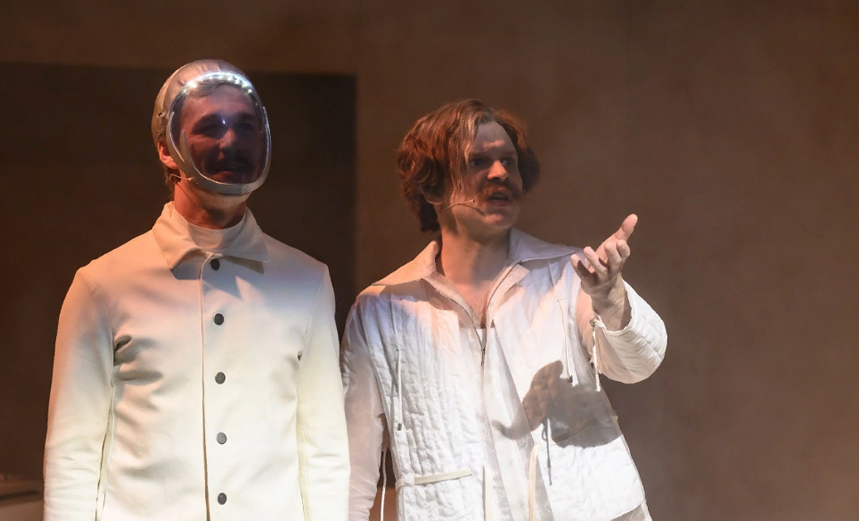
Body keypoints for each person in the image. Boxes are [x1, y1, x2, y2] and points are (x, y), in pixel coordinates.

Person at [44, 59, 349, 521]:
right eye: (210, 127)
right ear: (167, 149)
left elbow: (324, 450)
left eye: (245, 126)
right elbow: (73, 455)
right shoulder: (102, 285)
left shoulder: (307, 282)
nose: (231, 142)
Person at [342, 99, 667, 521]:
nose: (500, 173)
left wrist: (611, 298)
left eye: (509, 161)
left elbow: (638, 364)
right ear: (432, 187)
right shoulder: (383, 309)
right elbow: (352, 469)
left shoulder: (567, 274)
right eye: (478, 161)